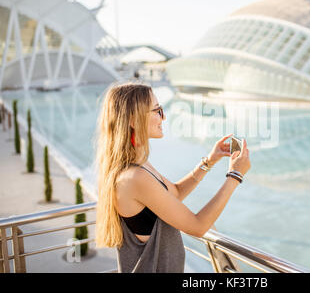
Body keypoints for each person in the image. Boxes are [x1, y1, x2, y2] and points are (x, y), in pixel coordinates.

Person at [94, 82, 251, 273]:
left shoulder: (139, 166)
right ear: (133, 120)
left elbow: (173, 193)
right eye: (157, 110)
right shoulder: (134, 177)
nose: (164, 116)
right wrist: (235, 176)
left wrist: (209, 161)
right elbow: (198, 226)